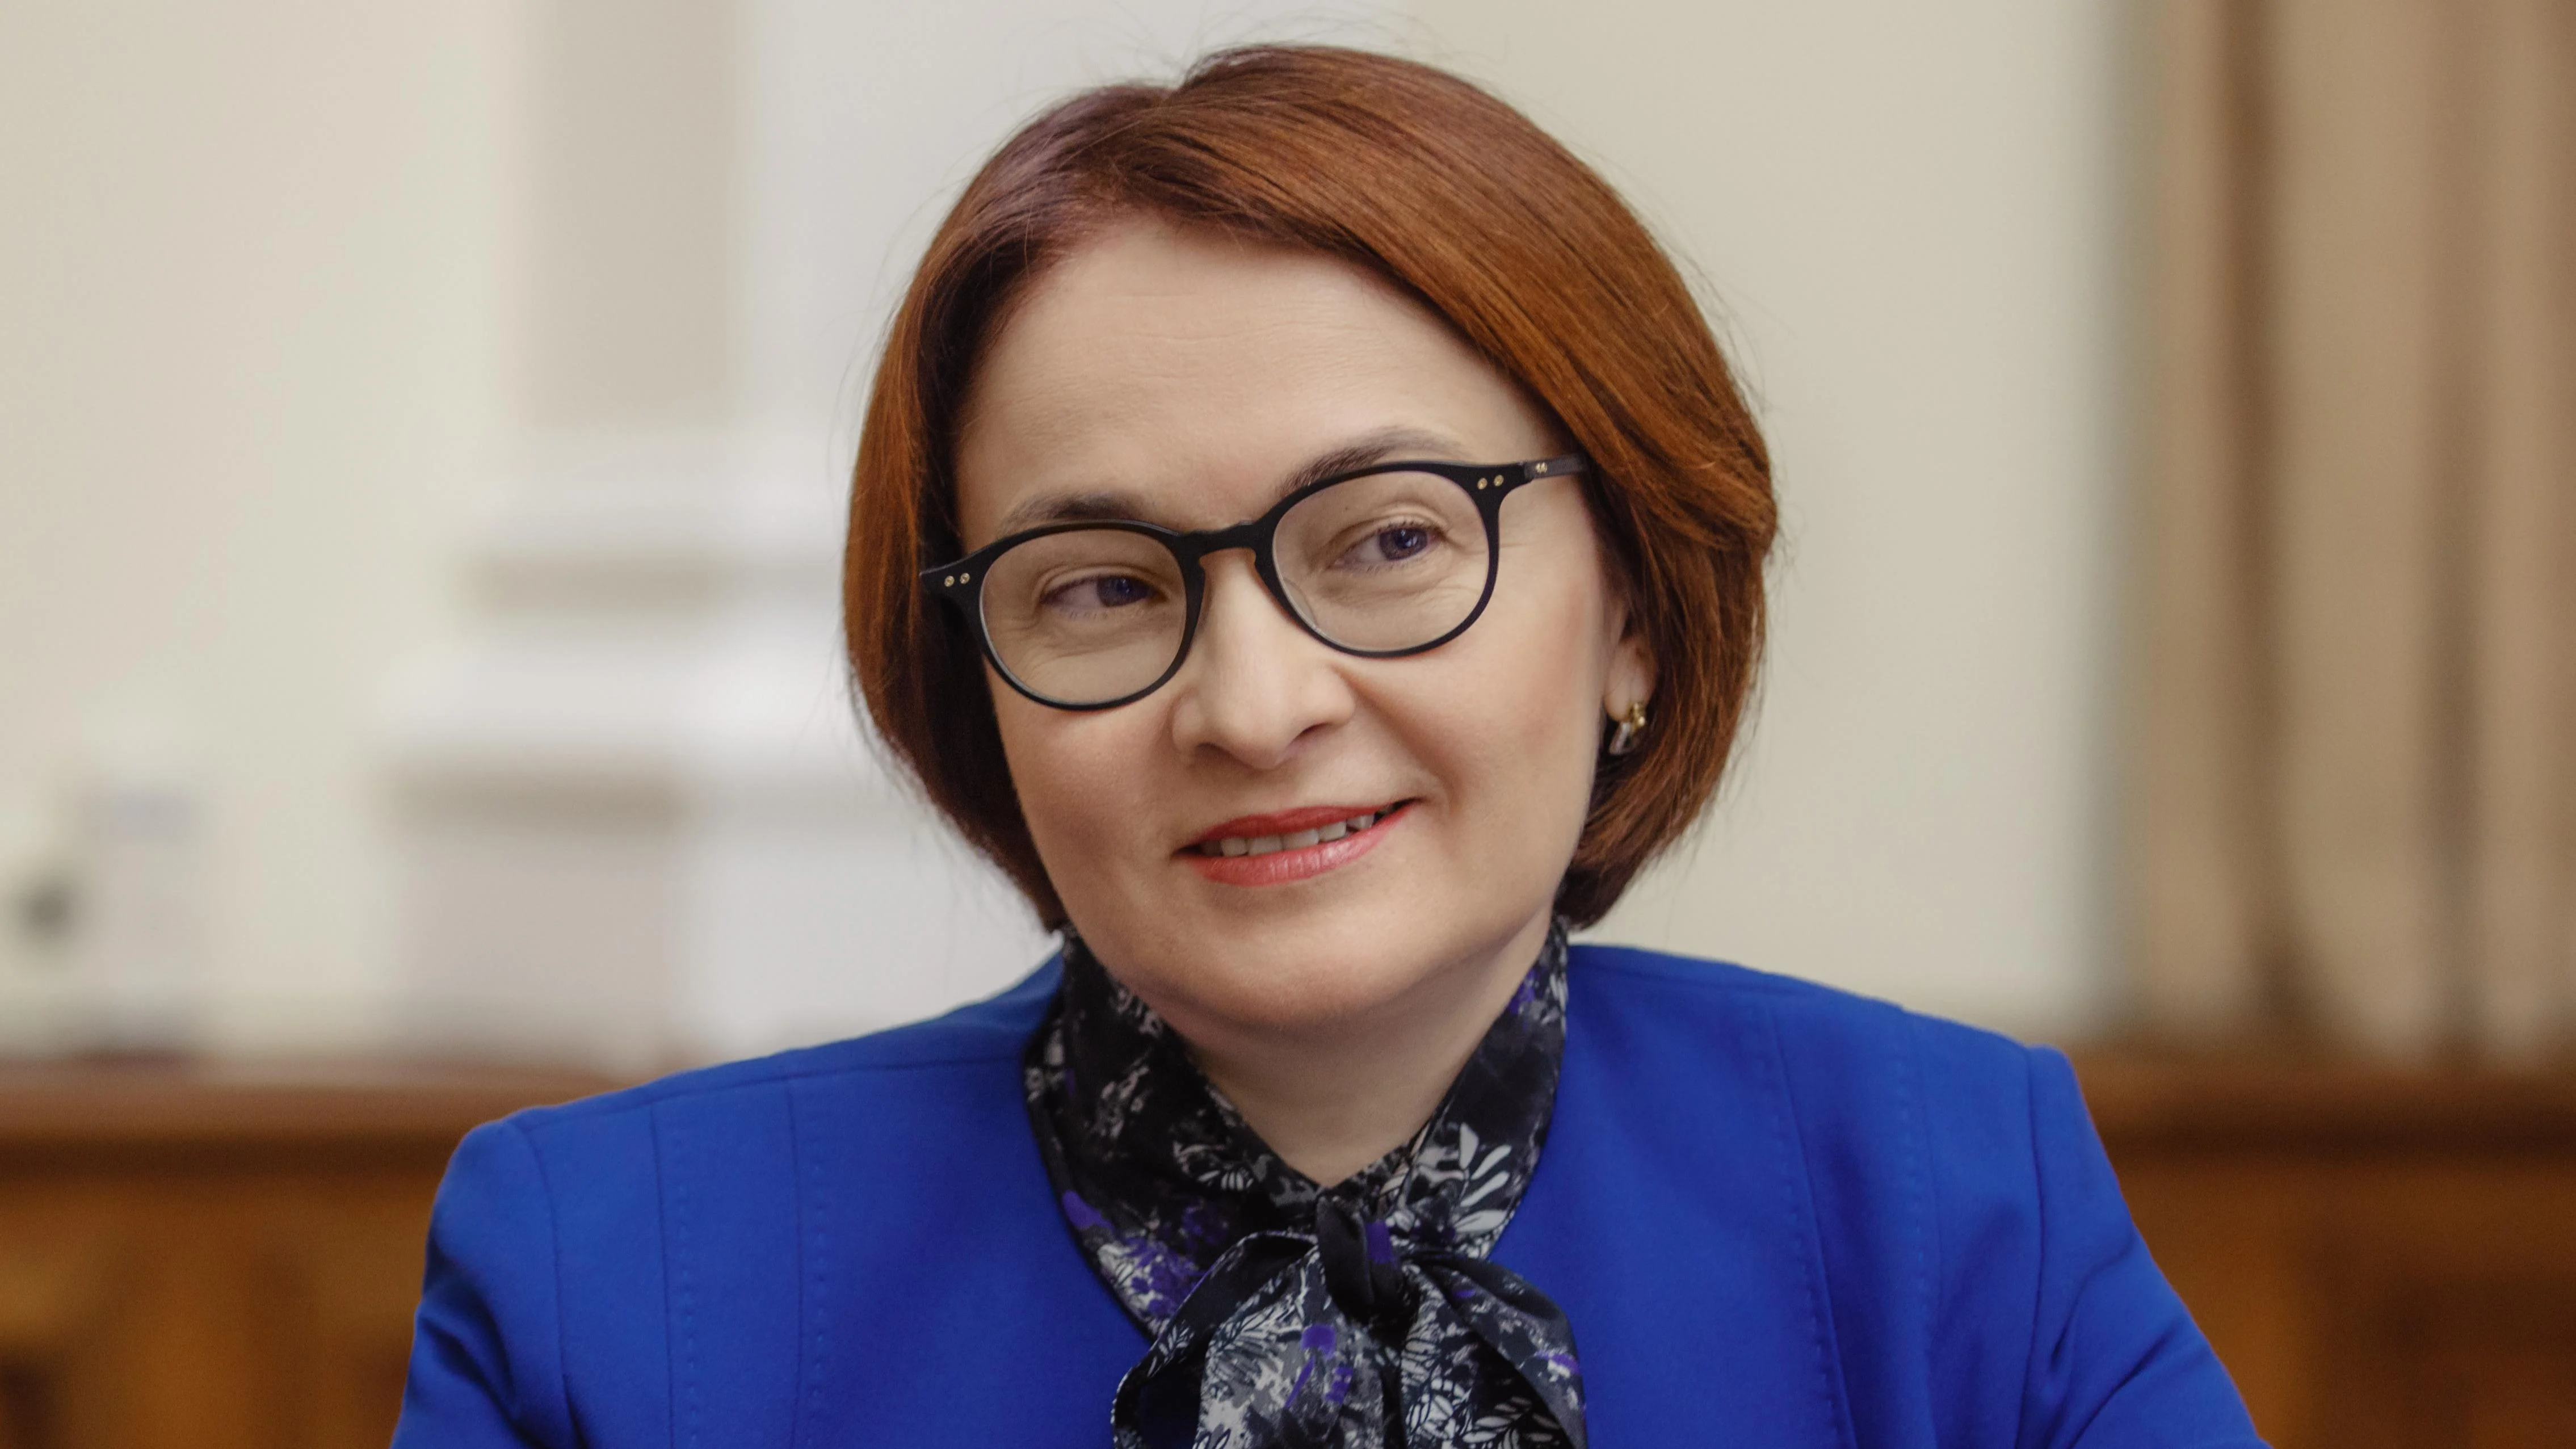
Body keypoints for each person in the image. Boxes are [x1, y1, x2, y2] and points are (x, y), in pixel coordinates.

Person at [393, 45, 2264, 1449]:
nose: (1256, 704)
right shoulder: (606, 1281)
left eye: (1388, 541)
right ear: (978, 684)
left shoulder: (1957, 1205)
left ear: (1631, 607)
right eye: (1099, 586)